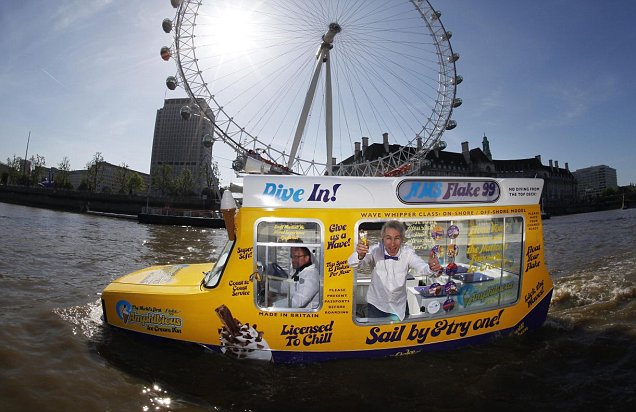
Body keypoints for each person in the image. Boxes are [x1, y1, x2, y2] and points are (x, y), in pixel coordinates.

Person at [348, 220, 441, 320]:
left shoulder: (407, 253)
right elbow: (353, 263)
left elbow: (421, 267)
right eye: (388, 238)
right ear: (383, 239)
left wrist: (431, 268)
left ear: (402, 239)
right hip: (376, 305)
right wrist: (360, 255)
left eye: (397, 238)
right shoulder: (374, 250)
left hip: (399, 306)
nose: (392, 243)